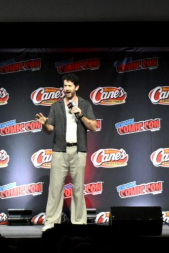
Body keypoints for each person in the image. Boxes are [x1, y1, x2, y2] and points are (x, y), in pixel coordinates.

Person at [34, 74, 98, 231]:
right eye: (65, 86)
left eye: (70, 86)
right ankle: (50, 223)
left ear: (76, 87)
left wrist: (80, 114)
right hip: (60, 151)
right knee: (55, 189)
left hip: (78, 150)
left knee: (78, 189)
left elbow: (94, 127)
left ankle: (78, 223)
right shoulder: (56, 106)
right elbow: (50, 130)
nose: (66, 89)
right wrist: (44, 124)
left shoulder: (84, 104)